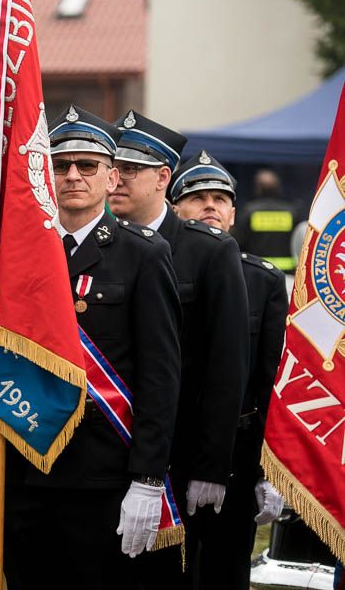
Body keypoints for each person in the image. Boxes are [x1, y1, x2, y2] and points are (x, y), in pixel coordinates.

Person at [2, 105, 182, 590]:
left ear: (111, 177)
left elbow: (160, 375)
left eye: (87, 166)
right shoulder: (14, 256)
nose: (73, 176)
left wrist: (147, 477)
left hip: (102, 471)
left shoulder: (143, 254)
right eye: (61, 166)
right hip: (23, 469)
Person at [106, 110, 250, 584]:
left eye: (131, 169)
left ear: (163, 177)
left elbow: (226, 366)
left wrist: (212, 465)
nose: (116, 178)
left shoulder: (208, 249)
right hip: (110, 447)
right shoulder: (101, 245)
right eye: (113, 167)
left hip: (181, 455)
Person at [170, 151, 287, 590]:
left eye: (221, 198)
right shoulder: (154, 265)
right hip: (169, 446)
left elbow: (269, 379)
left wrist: (269, 469)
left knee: (226, 569)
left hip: (237, 450)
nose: (211, 206)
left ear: (235, 213)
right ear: (175, 207)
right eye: (197, 197)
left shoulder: (262, 280)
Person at [234, 169, 299, 272]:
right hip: (287, 272)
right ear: (278, 187)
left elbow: (239, 242)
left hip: (257, 270)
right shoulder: (291, 212)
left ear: (258, 188)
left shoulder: (249, 211)